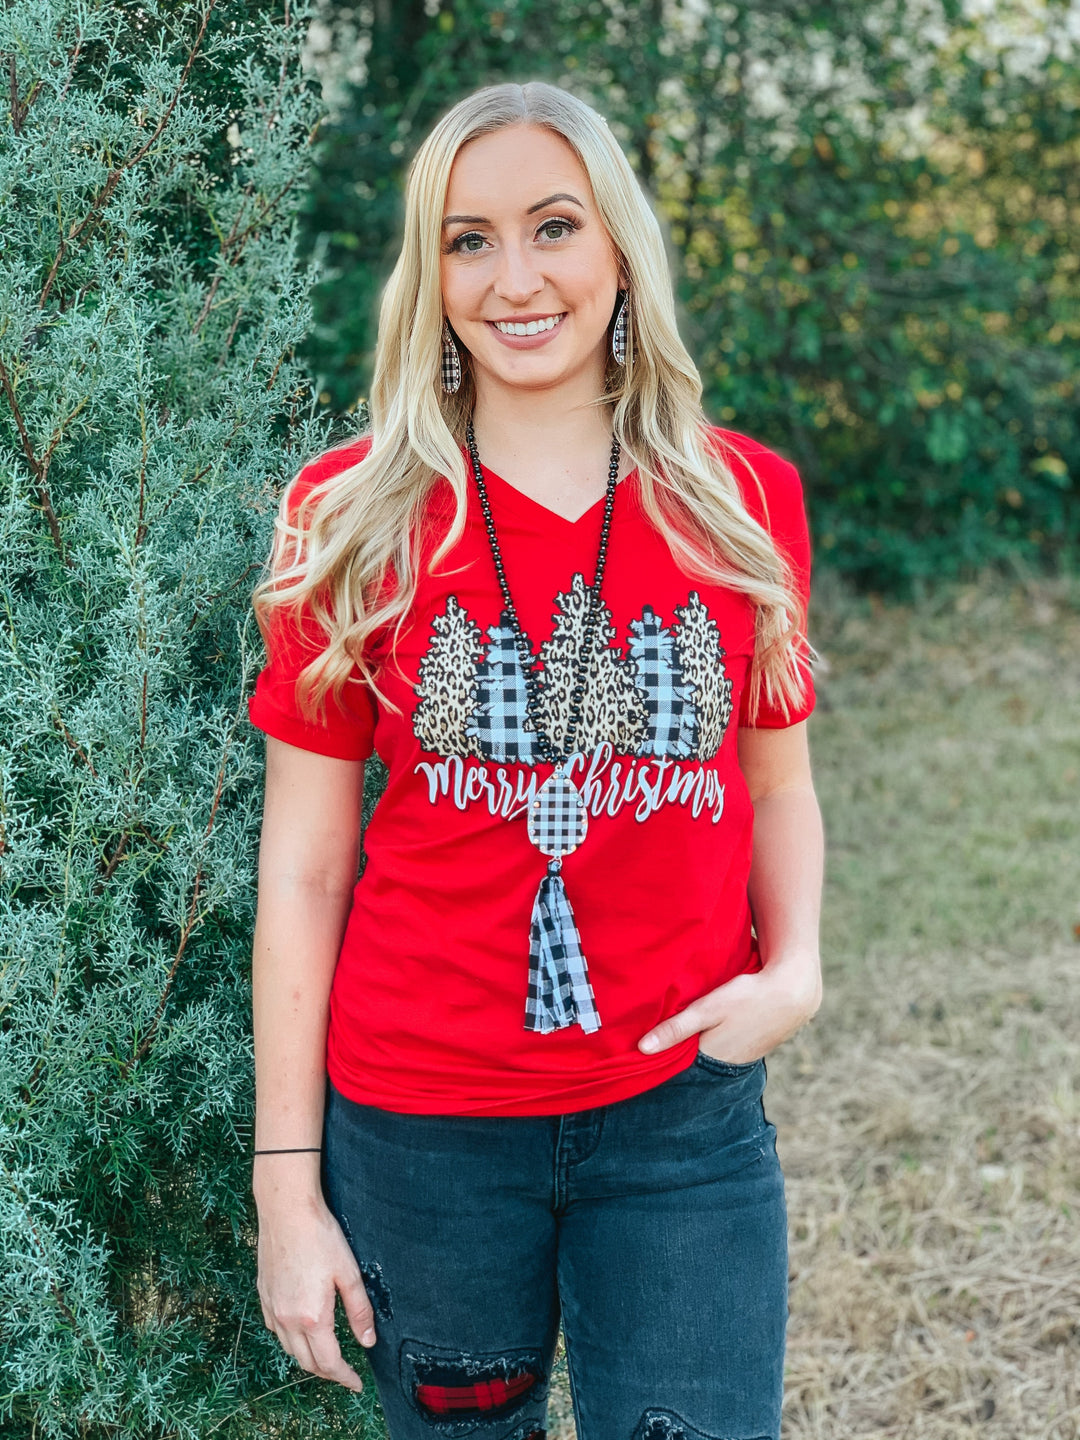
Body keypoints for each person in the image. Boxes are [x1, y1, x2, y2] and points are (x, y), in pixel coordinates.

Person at [247, 80, 824, 1440]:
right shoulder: (346, 519)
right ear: (429, 273)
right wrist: (287, 1186)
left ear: (618, 248)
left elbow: (779, 782)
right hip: (423, 1130)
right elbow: (307, 861)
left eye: (553, 227)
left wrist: (794, 967)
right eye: (468, 239)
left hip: (682, 1123)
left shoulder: (743, 500)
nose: (516, 278)